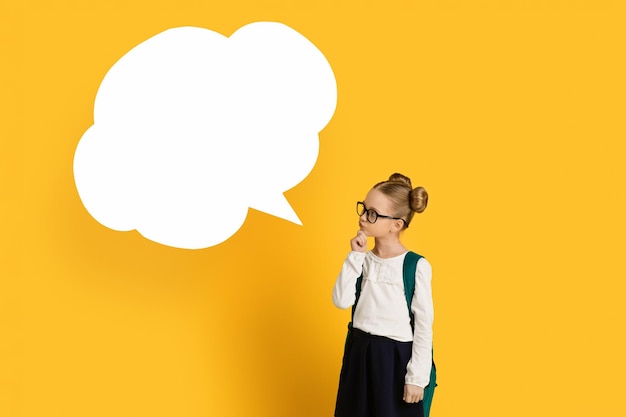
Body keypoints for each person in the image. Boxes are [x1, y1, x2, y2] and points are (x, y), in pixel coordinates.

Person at [332, 173, 434, 417]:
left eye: (372, 213)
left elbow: (423, 326)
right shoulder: (362, 260)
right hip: (359, 354)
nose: (363, 217)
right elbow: (341, 300)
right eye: (364, 209)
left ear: (396, 224)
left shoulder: (415, 266)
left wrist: (417, 378)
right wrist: (354, 257)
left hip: (395, 361)